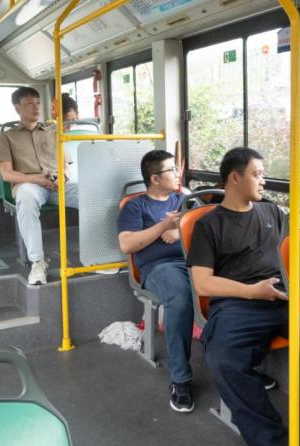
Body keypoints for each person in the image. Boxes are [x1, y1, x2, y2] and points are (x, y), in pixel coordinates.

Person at [186, 147, 287, 446]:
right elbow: (202, 284)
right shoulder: (209, 225)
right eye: (257, 175)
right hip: (238, 302)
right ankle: (269, 439)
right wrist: (252, 292)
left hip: (281, 296)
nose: (263, 181)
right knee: (222, 358)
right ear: (234, 178)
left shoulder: (272, 212)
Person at [116, 150, 195, 412]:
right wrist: (163, 226)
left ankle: (241, 368)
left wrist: (179, 231)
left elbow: (205, 229)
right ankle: (181, 379)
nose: (178, 174)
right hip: (159, 267)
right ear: (155, 178)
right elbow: (127, 244)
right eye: (171, 170)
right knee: (180, 298)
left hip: (194, 261)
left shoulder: (185, 200)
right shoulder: (136, 206)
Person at [0, 86, 78, 285]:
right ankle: (38, 262)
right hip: (29, 184)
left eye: (38, 103)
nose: (36, 107)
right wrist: (37, 179)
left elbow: (65, 166)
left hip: (57, 184)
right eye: (29, 103)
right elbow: (6, 174)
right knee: (26, 198)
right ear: (17, 108)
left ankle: (99, 254)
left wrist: (62, 177)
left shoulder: (53, 133)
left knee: (93, 194)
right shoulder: (6, 137)